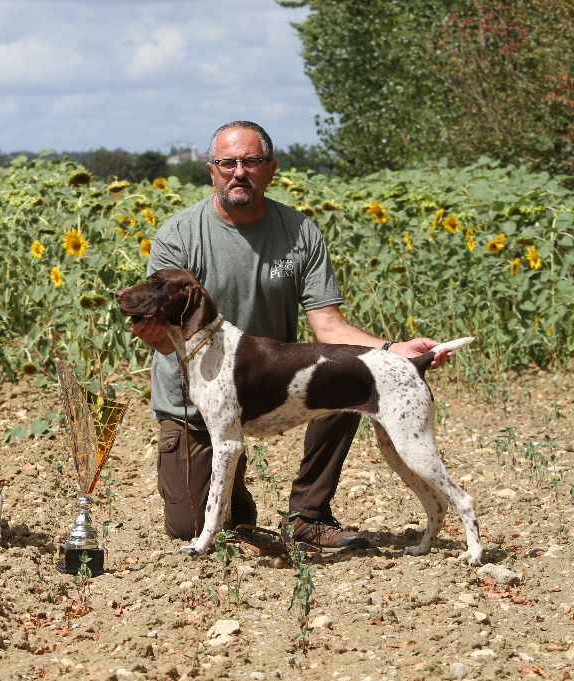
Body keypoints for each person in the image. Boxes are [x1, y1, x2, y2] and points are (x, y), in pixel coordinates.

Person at [130, 121, 453, 550]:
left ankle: (309, 516)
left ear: (271, 168)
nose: (239, 172)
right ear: (212, 170)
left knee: (346, 372)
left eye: (251, 161)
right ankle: (232, 497)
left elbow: (330, 326)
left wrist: (394, 351)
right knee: (189, 526)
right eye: (228, 163)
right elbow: (158, 331)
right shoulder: (179, 236)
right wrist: (149, 330)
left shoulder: (300, 233)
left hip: (273, 385)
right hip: (192, 403)